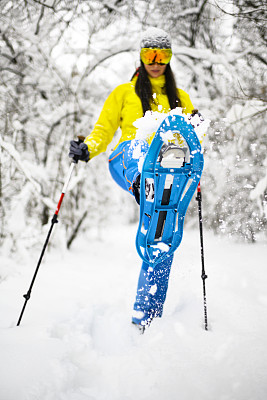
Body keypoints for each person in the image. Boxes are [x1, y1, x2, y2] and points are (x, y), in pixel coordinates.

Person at [69, 27, 197, 332]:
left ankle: (147, 311)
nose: (155, 61)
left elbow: (193, 137)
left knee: (161, 240)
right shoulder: (124, 93)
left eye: (162, 55)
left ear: (169, 59)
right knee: (142, 144)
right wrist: (88, 147)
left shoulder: (181, 98)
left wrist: (197, 129)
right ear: (141, 57)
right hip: (127, 160)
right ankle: (144, 181)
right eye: (149, 55)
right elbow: (104, 128)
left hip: (166, 174)